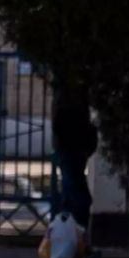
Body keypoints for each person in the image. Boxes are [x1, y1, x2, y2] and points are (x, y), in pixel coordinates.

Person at [51, 79, 98, 228]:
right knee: (76, 195)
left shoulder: (70, 96)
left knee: (72, 193)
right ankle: (73, 232)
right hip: (71, 149)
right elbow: (61, 124)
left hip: (72, 149)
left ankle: (70, 232)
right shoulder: (71, 97)